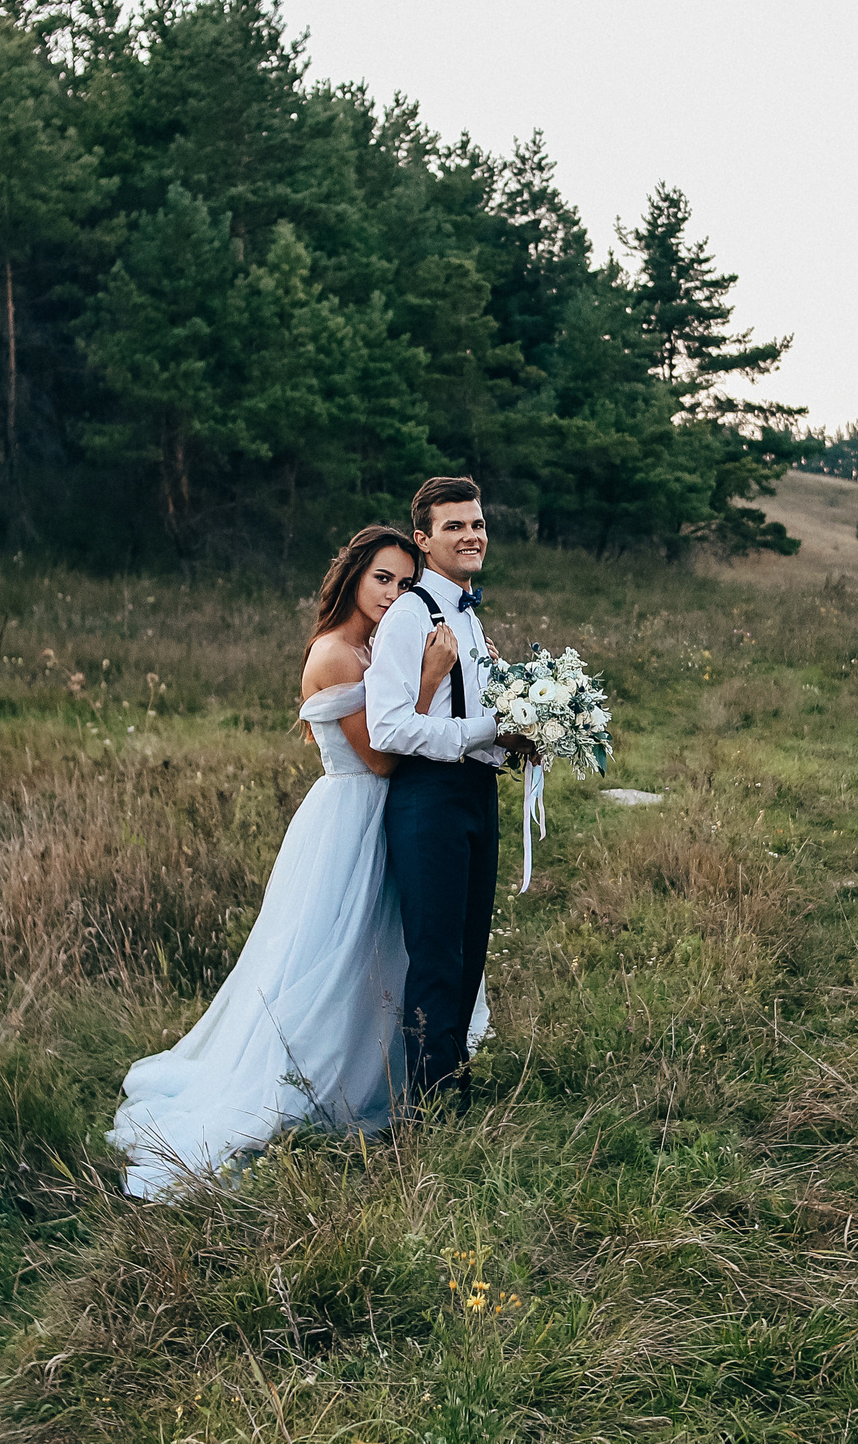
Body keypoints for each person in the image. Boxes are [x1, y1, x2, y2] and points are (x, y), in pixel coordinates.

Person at [108, 525, 471, 1195]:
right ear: (354, 578)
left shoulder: (379, 640)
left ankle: (380, 1071)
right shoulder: (336, 653)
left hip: (392, 813)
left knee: (382, 950)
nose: (393, 594)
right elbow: (383, 755)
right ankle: (303, 1086)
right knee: (327, 956)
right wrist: (427, 679)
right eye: (381, 579)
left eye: (404, 581)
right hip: (351, 817)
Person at [368, 475, 537, 1114]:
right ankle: (430, 1101)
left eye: (478, 525)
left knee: (469, 945)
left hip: (474, 793)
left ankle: (453, 1074)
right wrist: (485, 731)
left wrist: (518, 738)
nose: (472, 536)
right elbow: (388, 726)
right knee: (436, 951)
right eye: (455, 527)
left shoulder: (469, 617)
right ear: (424, 539)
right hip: (427, 799)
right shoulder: (409, 616)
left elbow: (465, 710)